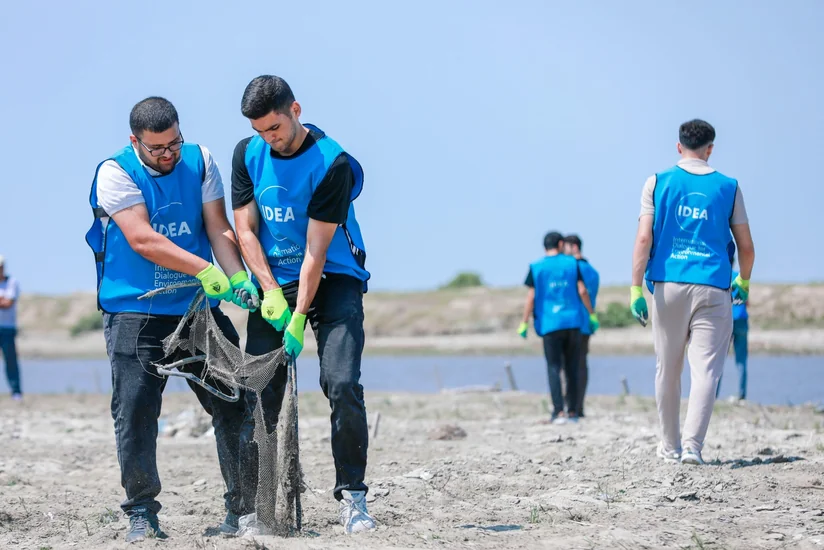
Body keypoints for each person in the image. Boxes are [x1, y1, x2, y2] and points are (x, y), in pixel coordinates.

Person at [85, 97, 258, 542]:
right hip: (135, 311)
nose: (168, 154)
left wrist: (238, 276)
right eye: (157, 148)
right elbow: (142, 238)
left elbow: (217, 227)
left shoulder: (200, 161)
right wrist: (203, 269)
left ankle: (242, 511)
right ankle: (142, 512)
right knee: (137, 412)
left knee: (235, 401)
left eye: (174, 143)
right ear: (135, 142)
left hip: (196, 310)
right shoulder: (115, 172)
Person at [231, 75, 375, 534]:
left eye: (274, 127)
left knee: (342, 382)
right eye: (259, 131)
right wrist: (270, 292)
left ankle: (353, 497)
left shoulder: (332, 164)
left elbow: (316, 252)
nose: (268, 138)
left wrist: (297, 320)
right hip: (276, 279)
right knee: (258, 388)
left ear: (295, 110)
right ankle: (257, 505)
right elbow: (246, 230)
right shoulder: (247, 154)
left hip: (332, 277)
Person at [629, 119, 754, 466]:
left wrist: (635, 289)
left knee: (667, 369)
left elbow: (643, 239)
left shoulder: (657, 182)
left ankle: (669, 447)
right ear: (710, 148)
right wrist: (743, 280)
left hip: (668, 285)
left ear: (678, 146)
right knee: (706, 371)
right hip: (714, 286)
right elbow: (746, 246)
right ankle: (693, 448)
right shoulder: (729, 187)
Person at [518, 232, 597, 424]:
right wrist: (591, 313)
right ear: (561, 244)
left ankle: (558, 412)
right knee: (572, 367)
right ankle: (573, 412)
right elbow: (582, 290)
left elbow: (531, 297)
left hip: (549, 323)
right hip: (573, 322)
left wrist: (524, 322)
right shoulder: (572, 264)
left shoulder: (536, 267)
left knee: (554, 368)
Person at [563, 235, 600, 417]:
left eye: (565, 247)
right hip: (587, 324)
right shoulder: (593, 271)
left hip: (573, 322)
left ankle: (570, 407)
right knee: (582, 365)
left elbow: (580, 292)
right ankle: (579, 406)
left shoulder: (572, 269)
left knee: (568, 365)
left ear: (574, 247)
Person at [716, 257, 749, 401]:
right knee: (741, 360)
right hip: (741, 319)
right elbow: (747, 300)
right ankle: (742, 395)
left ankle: (714, 395)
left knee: (718, 360)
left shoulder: (720, 276)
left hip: (725, 319)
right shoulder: (740, 276)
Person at [0, 255, 22, 400]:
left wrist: (4, 301)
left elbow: (8, 304)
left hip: (7, 327)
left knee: (11, 360)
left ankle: (16, 391)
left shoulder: (12, 282)